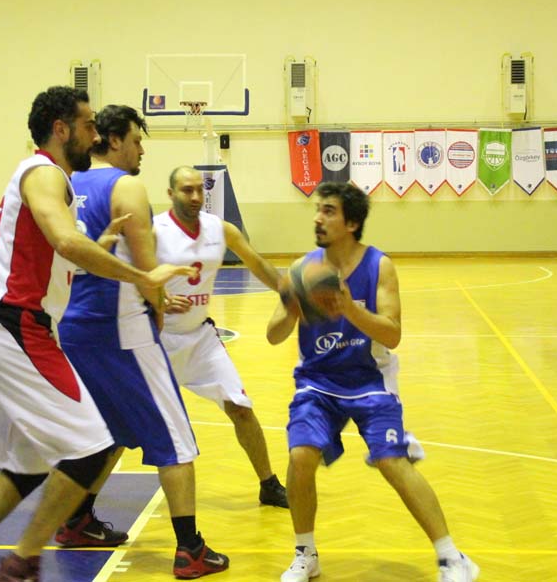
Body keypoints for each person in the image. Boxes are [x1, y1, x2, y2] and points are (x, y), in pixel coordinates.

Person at [0, 86, 194, 582]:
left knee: (29, 467)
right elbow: (64, 240)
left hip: (4, 327)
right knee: (92, 448)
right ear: (61, 129)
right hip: (15, 327)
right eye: (88, 125)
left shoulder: (47, 179)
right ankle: (21, 564)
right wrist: (143, 277)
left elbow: (58, 252)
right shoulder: (44, 172)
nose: (96, 135)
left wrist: (97, 243)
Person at [266, 181, 479, 582]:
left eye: (328, 211)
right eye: (318, 210)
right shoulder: (304, 270)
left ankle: (453, 558)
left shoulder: (379, 266)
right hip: (317, 381)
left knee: (390, 461)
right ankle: (305, 554)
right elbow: (273, 336)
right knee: (301, 457)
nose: (318, 218)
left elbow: (392, 335)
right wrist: (292, 306)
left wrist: (348, 307)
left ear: (352, 223)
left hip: (370, 381)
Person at [55, 105, 229, 579]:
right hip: (121, 329)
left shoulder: (66, 182)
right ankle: (190, 549)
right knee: (177, 441)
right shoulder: (125, 186)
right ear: (113, 140)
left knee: (108, 432)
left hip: (72, 328)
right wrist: (159, 307)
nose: (141, 150)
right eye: (136, 140)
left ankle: (76, 520)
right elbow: (149, 271)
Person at [156, 165, 288, 508]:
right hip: (158, 341)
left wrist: (288, 291)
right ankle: (84, 503)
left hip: (200, 339)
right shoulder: (154, 230)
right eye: (187, 190)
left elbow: (256, 263)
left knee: (240, 408)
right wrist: (159, 298)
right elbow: (131, 276)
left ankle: (268, 484)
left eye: (199, 189)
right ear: (170, 194)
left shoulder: (220, 228)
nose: (195, 196)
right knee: (130, 424)